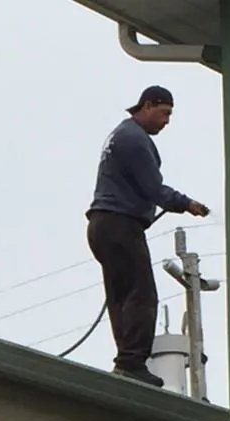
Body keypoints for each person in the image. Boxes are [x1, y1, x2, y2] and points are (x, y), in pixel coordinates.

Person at [87, 86, 210, 387]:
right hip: (120, 224)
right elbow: (154, 189)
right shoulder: (135, 140)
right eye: (165, 112)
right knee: (141, 295)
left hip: (102, 224)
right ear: (147, 105)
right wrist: (186, 203)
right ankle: (131, 362)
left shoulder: (121, 134)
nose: (167, 121)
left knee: (121, 296)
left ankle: (126, 361)